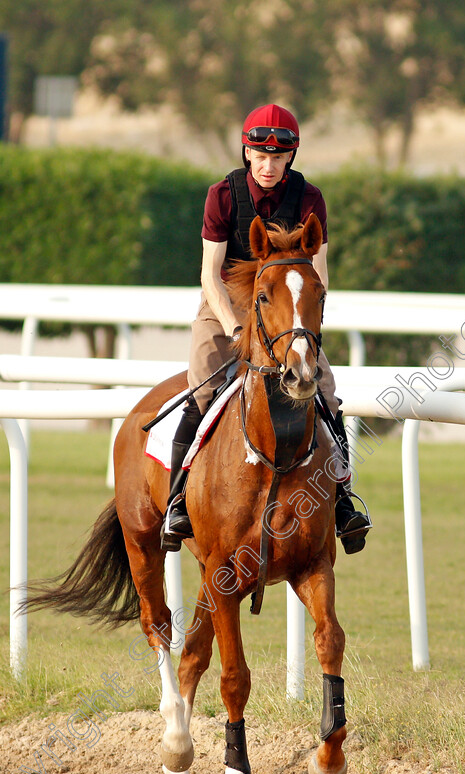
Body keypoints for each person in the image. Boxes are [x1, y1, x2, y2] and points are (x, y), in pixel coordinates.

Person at [161, 104, 371, 554]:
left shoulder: (310, 198)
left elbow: (318, 273)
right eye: (260, 155)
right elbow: (209, 274)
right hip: (226, 304)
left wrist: (304, 325)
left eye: (278, 157)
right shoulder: (221, 195)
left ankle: (343, 502)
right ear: (246, 152)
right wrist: (237, 327)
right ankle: (177, 500)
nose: (269, 165)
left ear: (291, 158)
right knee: (202, 386)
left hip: (286, 305)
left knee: (326, 389)